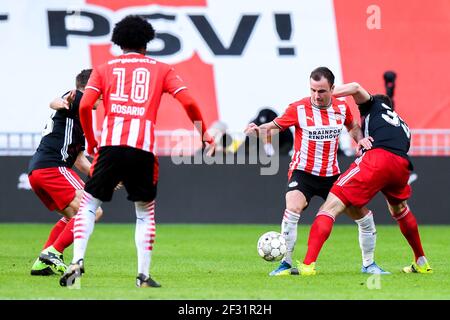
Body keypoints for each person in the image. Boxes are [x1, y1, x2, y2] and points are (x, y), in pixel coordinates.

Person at [59, 15, 215, 288]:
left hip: (110, 147)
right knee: (144, 212)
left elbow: (85, 107)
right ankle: (142, 275)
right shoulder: (162, 69)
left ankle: (77, 261)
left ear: (118, 41)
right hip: (142, 149)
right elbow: (188, 102)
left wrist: (93, 142)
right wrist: (204, 133)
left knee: (88, 205)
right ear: (147, 41)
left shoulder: (104, 68)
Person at [245, 67, 388, 276]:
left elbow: (353, 127)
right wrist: (258, 129)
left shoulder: (341, 107)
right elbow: (275, 126)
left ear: (332, 88)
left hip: (332, 175)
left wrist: (361, 138)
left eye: (321, 91)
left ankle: (369, 264)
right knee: (293, 207)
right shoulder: (298, 108)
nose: (316, 96)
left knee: (363, 215)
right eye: (313, 90)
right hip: (303, 172)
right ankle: (285, 264)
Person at [297, 82, 432, 275]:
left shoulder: (374, 104)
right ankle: (421, 261)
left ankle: (308, 265)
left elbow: (355, 87)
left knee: (331, 205)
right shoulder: (402, 125)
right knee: (400, 209)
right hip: (401, 164)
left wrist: (326, 95)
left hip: (378, 158)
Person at [28, 69, 103, 276]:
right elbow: (58, 101)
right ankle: (53, 252)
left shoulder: (78, 117)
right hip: (52, 168)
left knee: (73, 216)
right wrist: (61, 103)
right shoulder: (77, 99)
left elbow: (79, 160)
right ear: (90, 88)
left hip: (38, 172)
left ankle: (42, 263)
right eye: (100, 88)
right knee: (93, 211)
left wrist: (103, 175)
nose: (103, 95)